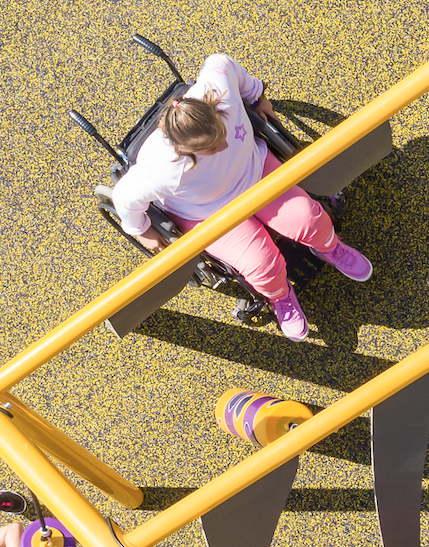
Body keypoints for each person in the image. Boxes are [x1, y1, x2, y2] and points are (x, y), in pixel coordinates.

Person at [107, 53, 372, 341]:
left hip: (254, 169)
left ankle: (329, 247)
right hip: (209, 212)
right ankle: (280, 296)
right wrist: (142, 230)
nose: (222, 144)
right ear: (184, 151)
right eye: (211, 147)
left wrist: (257, 97)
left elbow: (221, 61)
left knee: (308, 218)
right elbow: (124, 198)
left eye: (220, 133)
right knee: (262, 265)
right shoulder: (159, 169)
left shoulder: (220, 92)